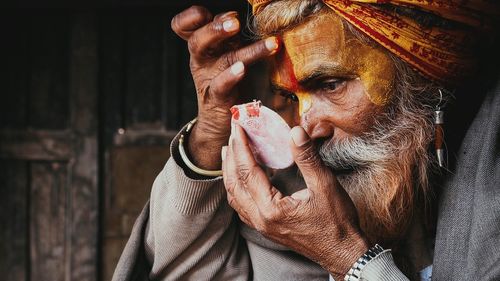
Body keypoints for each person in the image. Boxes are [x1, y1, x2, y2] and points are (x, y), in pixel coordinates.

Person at [112, 1, 500, 280]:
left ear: (423, 79)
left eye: (330, 84)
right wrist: (212, 133)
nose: (305, 127)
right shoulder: (301, 202)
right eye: (290, 98)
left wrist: (350, 258)